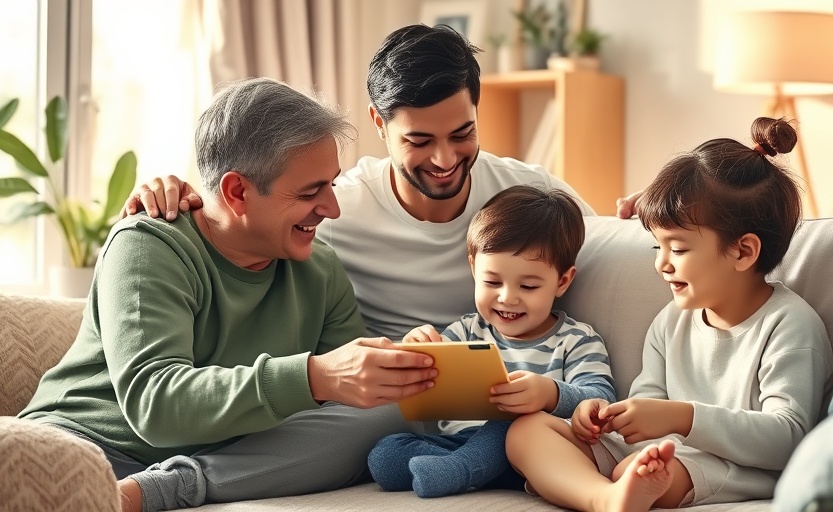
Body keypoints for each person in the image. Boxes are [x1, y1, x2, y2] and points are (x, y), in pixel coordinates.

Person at [19, 77, 439, 512]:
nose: (331, 208)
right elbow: (156, 405)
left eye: (331, 185)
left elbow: (352, 398)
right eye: (311, 191)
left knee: (390, 413)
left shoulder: (320, 268)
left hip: (209, 459)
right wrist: (316, 376)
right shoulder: (149, 243)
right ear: (237, 192)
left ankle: (173, 486)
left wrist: (400, 371)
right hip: (91, 454)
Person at [120, 24, 647, 342]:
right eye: (419, 140)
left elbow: (602, 240)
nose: (444, 159)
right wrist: (174, 194)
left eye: (462, 133)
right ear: (378, 122)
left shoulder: (530, 194)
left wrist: (655, 215)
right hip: (380, 407)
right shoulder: (334, 208)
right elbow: (245, 218)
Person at [504, 117, 833, 511]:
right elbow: (647, 402)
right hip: (654, 453)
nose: (662, 264)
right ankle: (604, 498)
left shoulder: (789, 325)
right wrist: (608, 418)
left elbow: (788, 436)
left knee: (645, 470)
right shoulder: (670, 321)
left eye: (677, 250)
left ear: (743, 252)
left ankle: (615, 490)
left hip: (728, 465)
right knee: (527, 430)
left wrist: (682, 418)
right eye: (656, 248)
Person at [366, 185, 616, 498]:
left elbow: (601, 397)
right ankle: (470, 469)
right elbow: (427, 375)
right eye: (492, 282)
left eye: (527, 286)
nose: (507, 298)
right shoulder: (467, 330)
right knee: (385, 456)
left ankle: (461, 471)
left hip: (531, 447)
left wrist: (549, 394)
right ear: (474, 268)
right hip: (463, 440)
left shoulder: (577, 340)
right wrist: (417, 346)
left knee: (512, 421)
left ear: (562, 281)